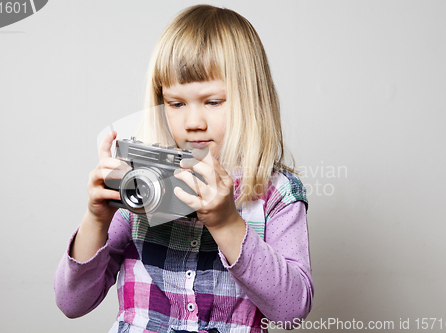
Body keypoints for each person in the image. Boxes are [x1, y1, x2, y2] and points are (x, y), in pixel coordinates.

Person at [54, 5, 313, 333]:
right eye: (176, 104)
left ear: (253, 99)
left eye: (213, 102)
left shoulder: (276, 193)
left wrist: (227, 223)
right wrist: (96, 218)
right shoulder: (142, 178)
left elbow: (290, 311)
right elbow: (72, 303)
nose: (193, 122)